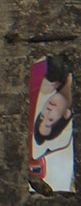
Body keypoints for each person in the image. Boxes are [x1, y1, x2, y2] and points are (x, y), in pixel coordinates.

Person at [31, 55, 74, 192]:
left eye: (42, 116)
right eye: (50, 121)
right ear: (66, 115)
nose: (47, 112)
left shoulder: (53, 74)